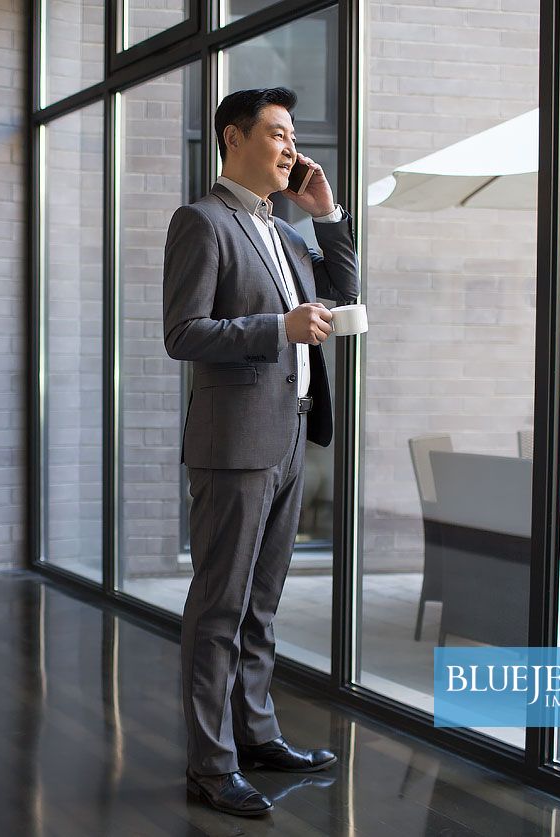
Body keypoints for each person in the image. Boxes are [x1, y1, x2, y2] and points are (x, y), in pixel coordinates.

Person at [162, 87, 360, 817]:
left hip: (288, 434)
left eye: (293, 135)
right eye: (277, 133)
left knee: (262, 606)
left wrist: (327, 216)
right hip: (234, 443)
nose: (290, 146)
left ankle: (255, 735)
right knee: (219, 608)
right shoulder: (202, 221)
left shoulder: (282, 231)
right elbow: (183, 333)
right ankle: (210, 767)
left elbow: (345, 292)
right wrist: (276, 327)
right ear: (233, 137)